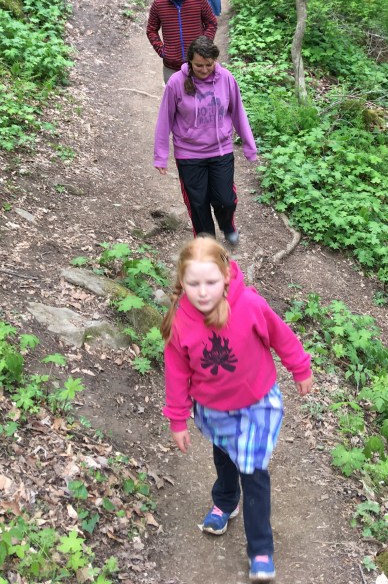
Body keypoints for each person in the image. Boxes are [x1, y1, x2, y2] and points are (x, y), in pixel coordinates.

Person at [161, 236, 314, 583]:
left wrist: (300, 367)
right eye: (193, 284)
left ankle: (261, 548)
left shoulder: (249, 305)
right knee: (225, 456)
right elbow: (177, 374)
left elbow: (281, 335)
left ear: (226, 276)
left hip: (256, 405)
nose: (203, 292)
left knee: (253, 471)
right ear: (182, 281)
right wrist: (177, 419)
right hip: (214, 410)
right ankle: (226, 501)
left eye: (211, 282)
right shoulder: (180, 321)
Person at [154, 36, 256, 246]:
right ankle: (207, 245)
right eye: (198, 65)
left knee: (225, 200)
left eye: (209, 65)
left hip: (220, 150)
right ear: (190, 62)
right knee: (198, 204)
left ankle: (227, 226)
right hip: (189, 154)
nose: (204, 69)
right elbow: (165, 119)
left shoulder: (226, 78)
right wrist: (161, 155)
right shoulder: (176, 82)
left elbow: (238, 112)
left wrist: (249, 146)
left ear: (215, 60)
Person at [146, 0, 218, 85]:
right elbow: (151, 30)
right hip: (171, 66)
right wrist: (162, 50)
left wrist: (204, 45)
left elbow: (212, 23)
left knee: (200, 95)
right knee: (173, 96)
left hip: (198, 64)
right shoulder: (159, 4)